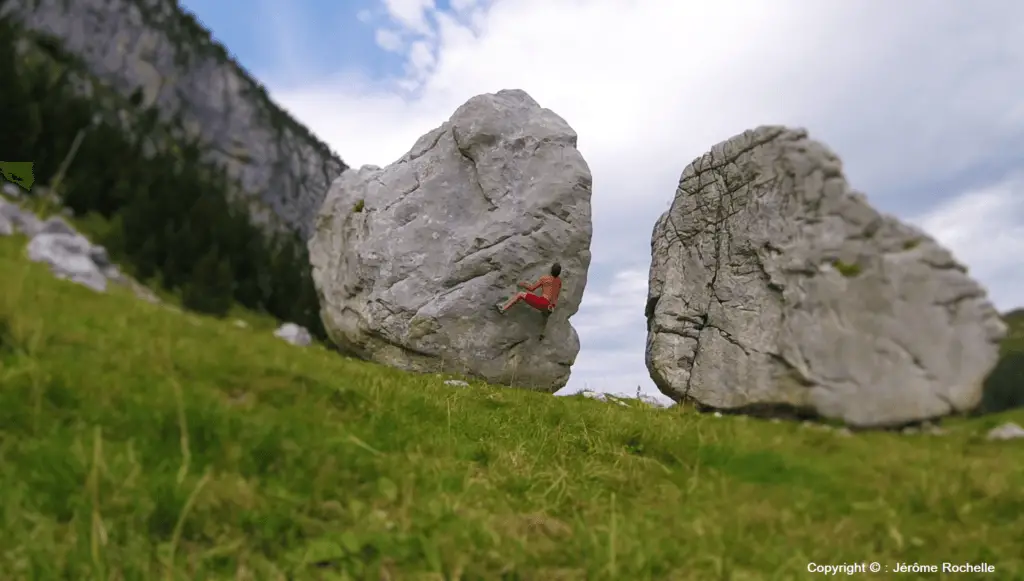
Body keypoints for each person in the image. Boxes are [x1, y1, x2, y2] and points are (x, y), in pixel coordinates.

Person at [498, 263, 562, 314]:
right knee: (533, 297)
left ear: (551, 270)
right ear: (559, 273)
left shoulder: (545, 278)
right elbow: (556, 296)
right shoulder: (559, 282)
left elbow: (532, 288)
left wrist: (522, 284)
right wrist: (552, 306)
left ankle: (503, 308)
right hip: (550, 307)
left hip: (542, 302)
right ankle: (545, 314)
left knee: (520, 294)